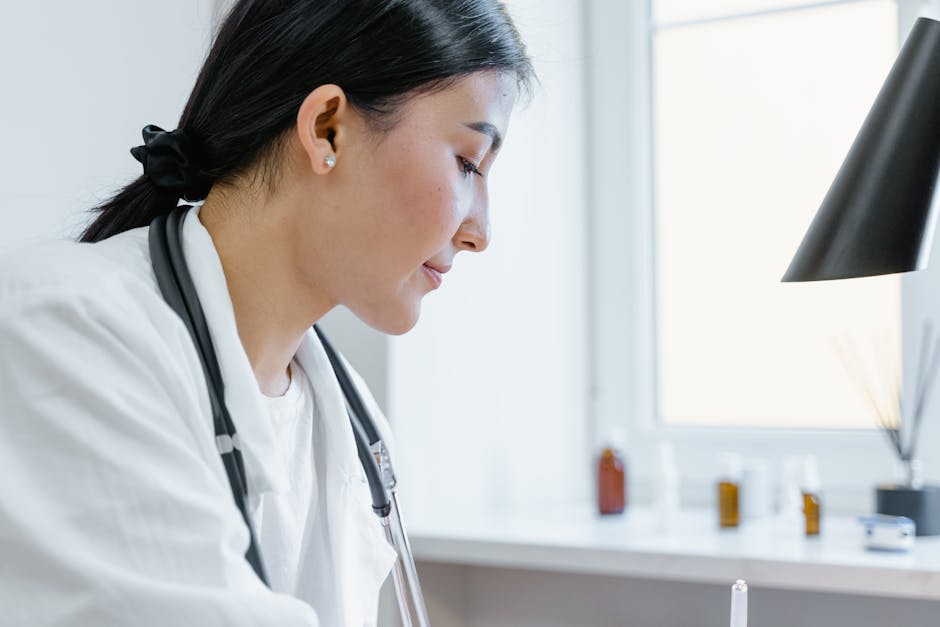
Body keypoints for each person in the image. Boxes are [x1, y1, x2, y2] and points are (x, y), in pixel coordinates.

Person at [0, 1, 534, 625]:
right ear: (328, 127)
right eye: (468, 162)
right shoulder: (65, 330)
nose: (481, 232)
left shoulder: (350, 422)